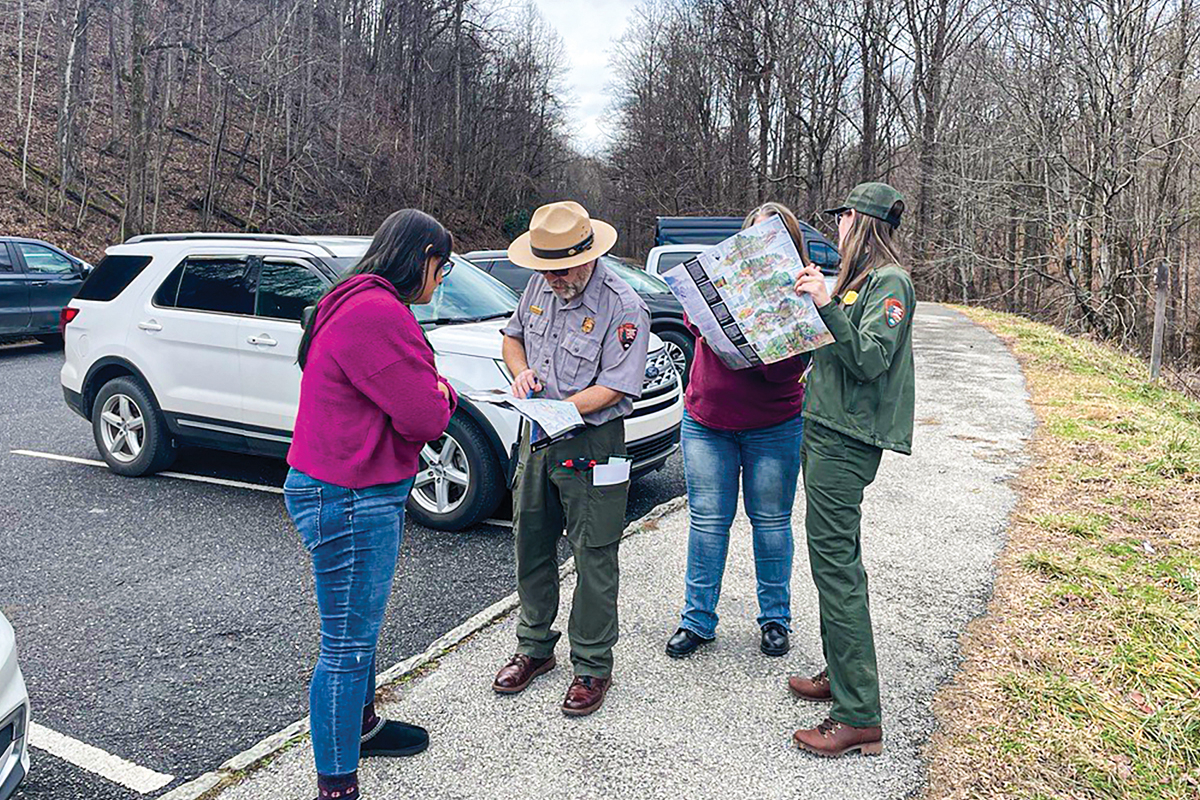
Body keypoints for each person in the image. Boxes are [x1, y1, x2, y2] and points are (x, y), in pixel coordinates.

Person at [284, 209, 458, 800]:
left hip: (338, 484)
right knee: (346, 645)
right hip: (350, 494)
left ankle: (361, 728)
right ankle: (336, 785)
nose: (441, 282)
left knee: (358, 633)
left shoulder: (351, 296)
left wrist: (427, 390)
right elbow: (426, 415)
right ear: (424, 258)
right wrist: (445, 390)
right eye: (444, 267)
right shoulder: (378, 313)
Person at [491, 201, 651, 716]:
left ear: (588, 256)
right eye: (544, 269)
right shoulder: (541, 283)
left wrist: (561, 407)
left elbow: (614, 386)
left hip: (594, 443)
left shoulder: (623, 306)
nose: (552, 279)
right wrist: (520, 375)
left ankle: (591, 665)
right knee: (531, 542)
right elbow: (512, 337)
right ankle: (534, 648)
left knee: (594, 554)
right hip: (536, 434)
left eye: (561, 270)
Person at [788, 182, 915, 758]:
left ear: (861, 222)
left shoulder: (891, 284)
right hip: (825, 432)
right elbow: (838, 356)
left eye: (841, 218)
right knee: (831, 565)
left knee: (838, 572)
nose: (835, 227)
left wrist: (826, 306)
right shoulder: (856, 282)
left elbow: (868, 359)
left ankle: (858, 715)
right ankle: (842, 678)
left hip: (845, 443)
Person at [665, 202, 812, 660]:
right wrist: (713, 327)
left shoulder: (804, 287)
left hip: (774, 423)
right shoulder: (721, 270)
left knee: (770, 525)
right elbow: (693, 316)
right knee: (707, 523)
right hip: (708, 419)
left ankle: (775, 619)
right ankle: (697, 620)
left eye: (772, 236)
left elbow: (790, 371)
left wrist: (761, 341)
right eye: (754, 234)